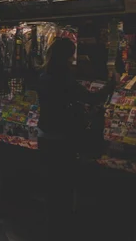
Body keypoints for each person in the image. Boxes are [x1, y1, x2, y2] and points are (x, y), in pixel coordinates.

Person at [36, 37, 116, 240]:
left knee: (51, 184)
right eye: (71, 54)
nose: (73, 58)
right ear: (66, 56)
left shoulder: (44, 76)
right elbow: (91, 98)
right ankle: (61, 228)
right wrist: (111, 85)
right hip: (62, 141)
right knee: (63, 185)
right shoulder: (63, 79)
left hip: (44, 137)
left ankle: (50, 226)